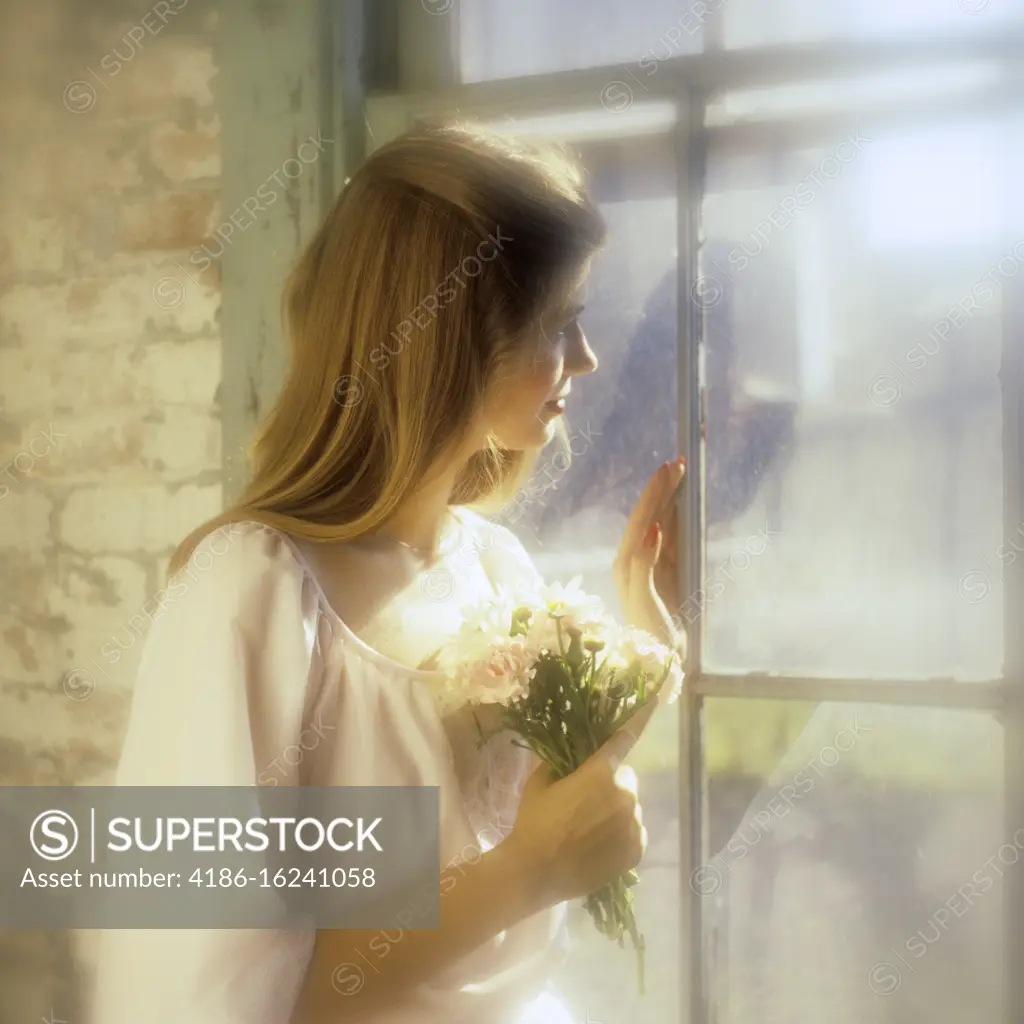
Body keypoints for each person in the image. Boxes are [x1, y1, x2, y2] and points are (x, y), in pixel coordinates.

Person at [89, 121, 686, 1024]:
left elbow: (534, 814)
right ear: (449, 332)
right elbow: (209, 994)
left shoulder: (492, 563)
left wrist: (649, 650)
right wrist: (528, 870)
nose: (588, 358)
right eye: (558, 323)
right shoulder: (251, 590)